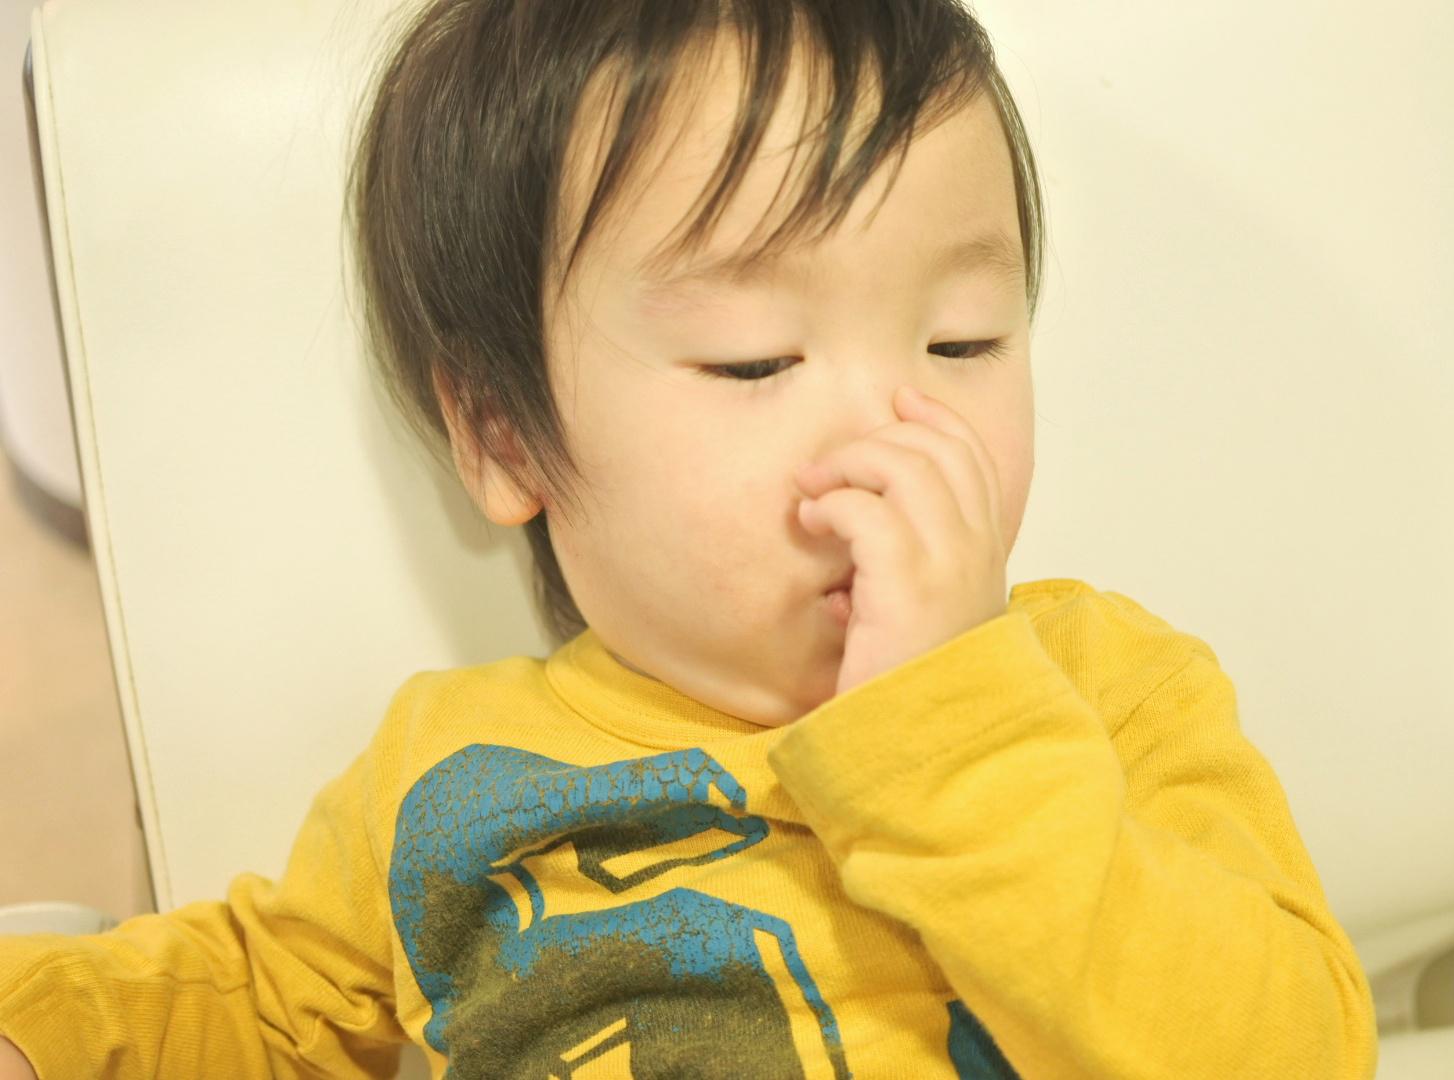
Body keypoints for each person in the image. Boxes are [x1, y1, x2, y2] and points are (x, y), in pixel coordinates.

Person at [0, 0, 1380, 1076]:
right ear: (506, 436)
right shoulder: (450, 779)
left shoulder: (1101, 694)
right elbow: (254, 1005)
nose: (888, 439)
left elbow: (1295, 1055)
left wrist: (962, 732)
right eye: (753, 360)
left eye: (964, 342)